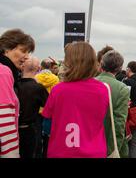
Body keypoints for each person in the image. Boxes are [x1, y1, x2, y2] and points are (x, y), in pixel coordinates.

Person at [42, 42, 109, 158]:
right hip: (95, 151)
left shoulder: (58, 90)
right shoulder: (103, 89)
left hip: (62, 151)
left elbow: (47, 124)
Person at [0, 28, 35, 158]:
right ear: (6, 48)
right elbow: (4, 123)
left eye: (28, 52)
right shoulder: (3, 72)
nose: (26, 56)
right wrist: (12, 154)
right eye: (22, 50)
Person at [96, 50, 130, 158]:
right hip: (109, 144)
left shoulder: (89, 83)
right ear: (120, 68)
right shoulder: (122, 89)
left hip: (89, 142)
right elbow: (119, 123)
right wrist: (113, 150)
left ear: (101, 64)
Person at [17, 56, 48, 158]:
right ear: (38, 69)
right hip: (29, 129)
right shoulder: (38, 88)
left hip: (12, 129)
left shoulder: (14, 84)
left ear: (22, 67)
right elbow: (49, 107)